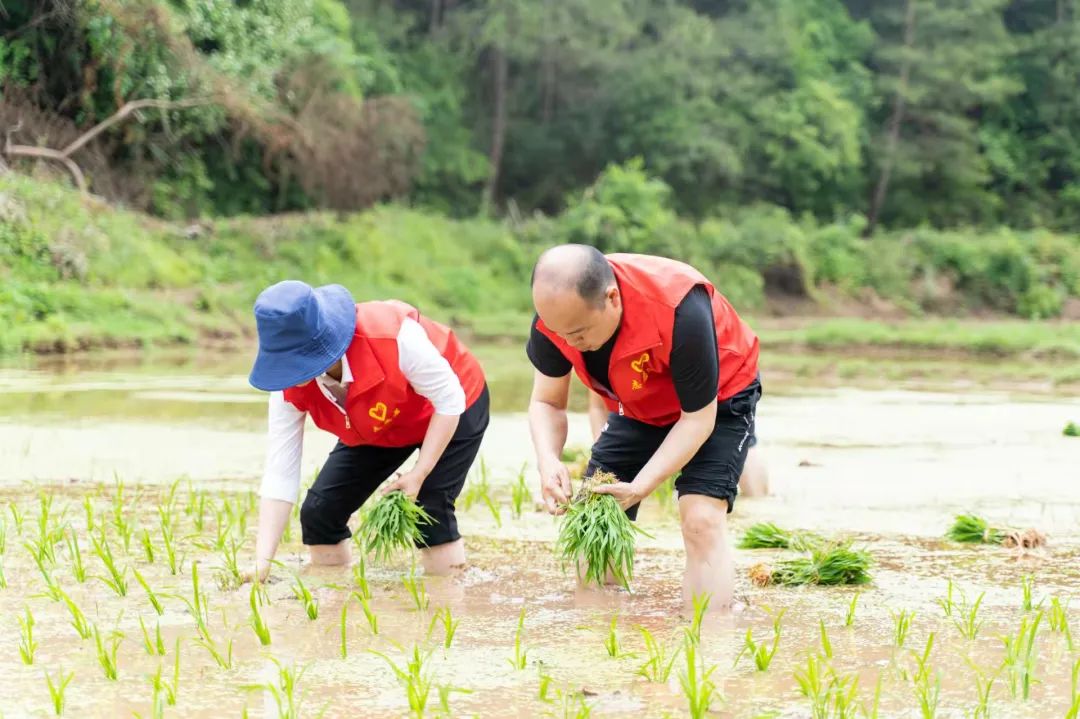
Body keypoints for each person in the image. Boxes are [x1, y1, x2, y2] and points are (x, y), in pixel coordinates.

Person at [526, 245, 761, 611]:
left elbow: (697, 419)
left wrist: (641, 486)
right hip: (640, 405)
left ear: (612, 298)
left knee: (700, 520)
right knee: (595, 517)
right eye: (561, 335)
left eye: (579, 332)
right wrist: (548, 460)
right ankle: (601, 641)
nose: (571, 344)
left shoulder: (679, 307)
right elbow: (547, 402)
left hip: (719, 398)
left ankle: (709, 646)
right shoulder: (555, 320)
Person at [244, 280, 488, 582]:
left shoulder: (393, 338)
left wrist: (420, 472)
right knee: (320, 512)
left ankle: (449, 600)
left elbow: (449, 399)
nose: (294, 375)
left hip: (452, 404)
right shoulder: (287, 388)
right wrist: (262, 561)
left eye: (299, 364)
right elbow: (281, 470)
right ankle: (335, 601)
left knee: (429, 506)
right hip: (377, 421)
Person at [586, 391, 770, 497]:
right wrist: (604, 460)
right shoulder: (596, 345)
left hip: (718, 387)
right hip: (646, 401)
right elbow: (597, 405)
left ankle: (758, 502)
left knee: (739, 444)